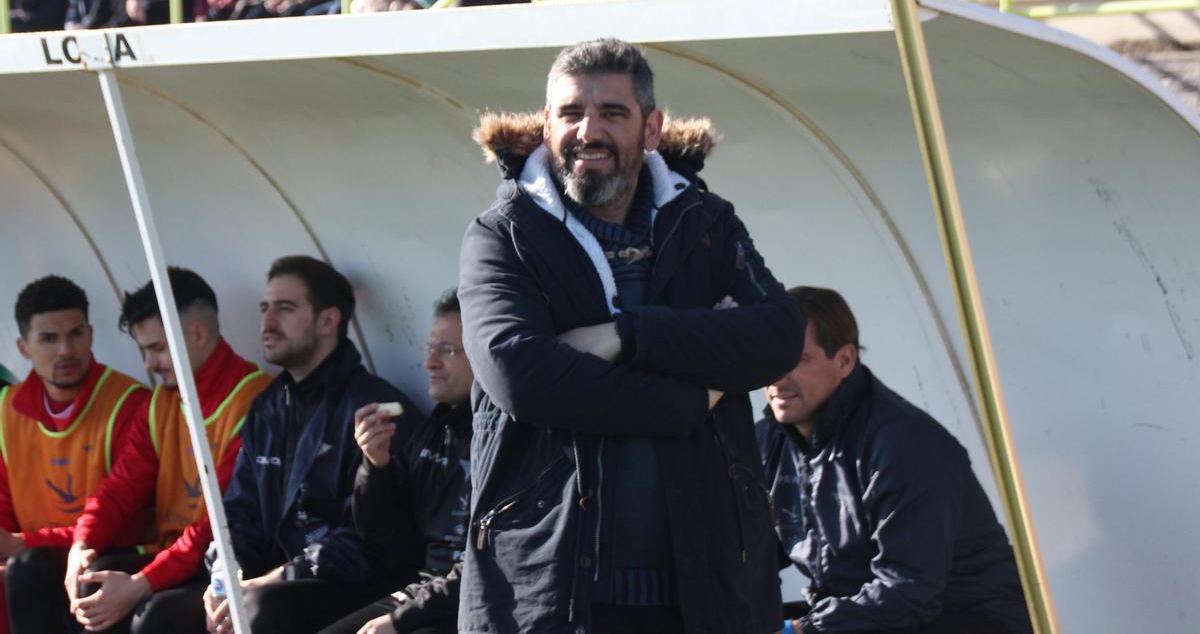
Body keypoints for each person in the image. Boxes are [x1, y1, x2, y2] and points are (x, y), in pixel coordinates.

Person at [458, 38, 805, 634]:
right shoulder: (503, 235)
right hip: (550, 592)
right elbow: (522, 376)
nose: (588, 131)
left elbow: (777, 336)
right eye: (570, 113)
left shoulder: (705, 223)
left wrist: (623, 336)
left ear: (651, 128)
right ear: (547, 124)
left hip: (706, 588)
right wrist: (691, 394)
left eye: (612, 113)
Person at [756, 286, 1033, 634]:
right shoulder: (767, 441)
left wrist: (801, 631)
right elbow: (746, 558)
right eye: (770, 358)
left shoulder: (906, 444)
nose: (777, 378)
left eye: (797, 359)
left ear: (845, 360)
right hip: (864, 615)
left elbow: (908, 592)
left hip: (962, 620)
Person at [50, 268, 271, 634]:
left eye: (156, 348)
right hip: (170, 554)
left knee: (152, 616)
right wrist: (83, 543)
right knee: (87, 581)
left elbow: (218, 526)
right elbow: (120, 488)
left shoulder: (256, 403)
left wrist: (141, 584)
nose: (149, 364)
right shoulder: (162, 403)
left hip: (222, 566)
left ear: (197, 334)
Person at [204, 255, 419, 633]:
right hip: (273, 579)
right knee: (160, 614)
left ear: (327, 321)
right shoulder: (267, 407)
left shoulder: (374, 409)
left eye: (285, 309)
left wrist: (270, 581)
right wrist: (226, 570)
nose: (267, 322)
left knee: (257, 609)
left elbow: (364, 543)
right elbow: (240, 511)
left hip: (348, 585)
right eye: (264, 308)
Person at [0, 276, 150, 633]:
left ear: (91, 335)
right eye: (49, 339)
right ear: (24, 348)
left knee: (41, 570)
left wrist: (24, 544)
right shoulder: (8, 408)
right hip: (35, 559)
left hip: (105, 555)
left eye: (75, 334)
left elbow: (123, 520)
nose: (66, 350)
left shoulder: (130, 403)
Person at [321, 288, 475, 634]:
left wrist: (398, 621)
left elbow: (486, 564)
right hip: (421, 591)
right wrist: (375, 467)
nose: (430, 362)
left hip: (470, 602)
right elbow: (383, 542)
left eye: (447, 350)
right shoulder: (430, 433)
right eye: (430, 349)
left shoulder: (507, 439)